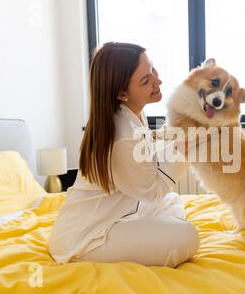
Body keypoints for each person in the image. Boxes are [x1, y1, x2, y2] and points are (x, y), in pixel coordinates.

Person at [48, 42, 199, 267]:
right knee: (187, 237)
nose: (158, 81)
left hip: (119, 213)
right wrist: (183, 151)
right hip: (86, 236)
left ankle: (145, 234)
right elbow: (153, 191)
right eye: (146, 80)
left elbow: (144, 156)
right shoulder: (122, 134)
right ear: (122, 93)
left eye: (153, 70)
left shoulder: (130, 114)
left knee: (173, 201)